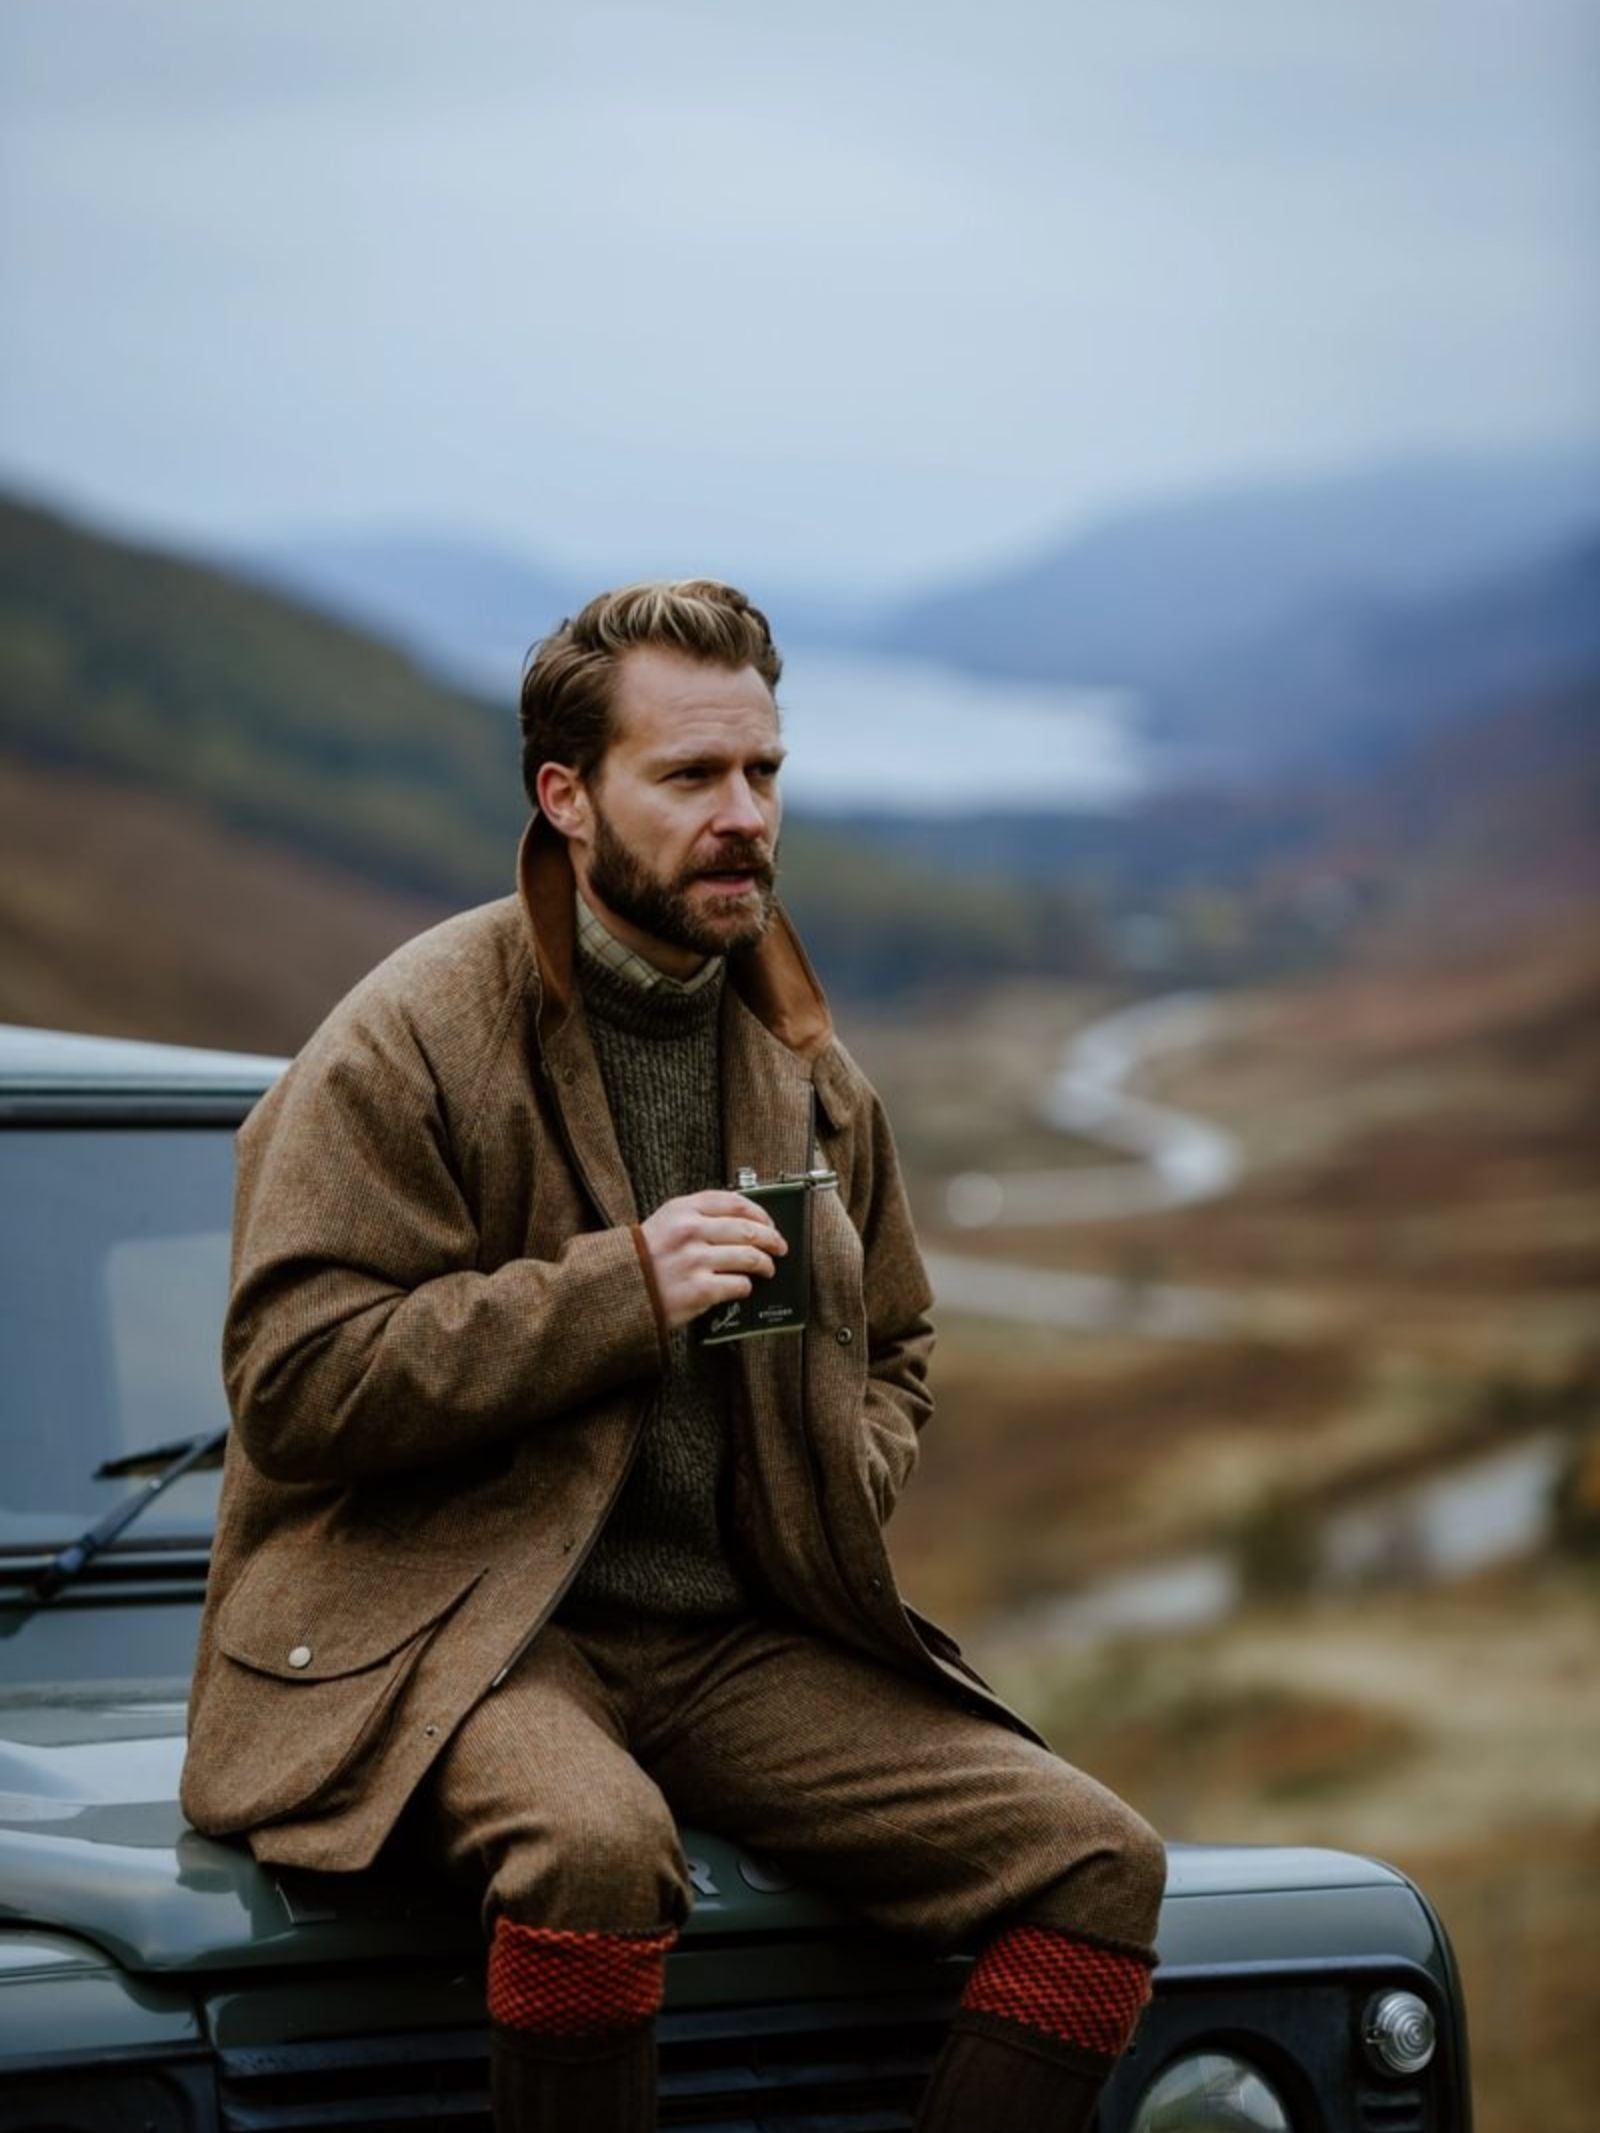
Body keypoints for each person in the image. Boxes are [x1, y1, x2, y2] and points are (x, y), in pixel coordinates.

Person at [181, 580, 1166, 2132]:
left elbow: (897, 1334)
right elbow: (297, 1383)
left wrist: (836, 1474)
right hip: (461, 1629)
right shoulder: (406, 1038)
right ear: (566, 797)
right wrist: (614, 1293)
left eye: (763, 773)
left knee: (1103, 1866)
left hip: (730, 1643)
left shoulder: (807, 1066)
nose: (744, 817)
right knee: (592, 1846)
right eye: (692, 777)